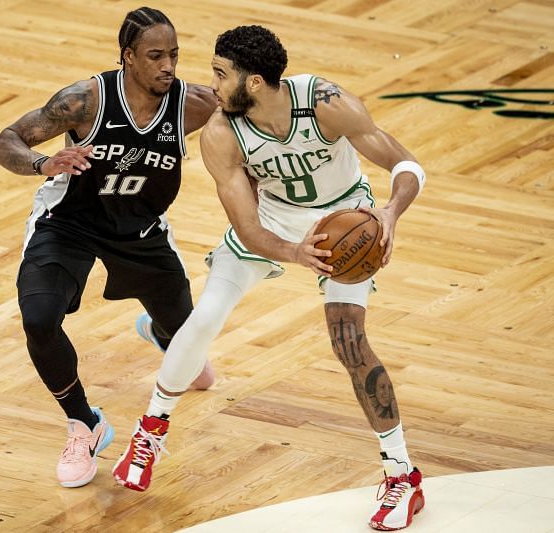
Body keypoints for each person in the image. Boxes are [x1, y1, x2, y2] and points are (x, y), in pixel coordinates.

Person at [113, 25, 426, 531]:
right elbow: (247, 226)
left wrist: (390, 212)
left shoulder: (325, 102)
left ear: (254, 82)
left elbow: (406, 162)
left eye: (221, 74)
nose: (211, 85)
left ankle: (401, 475)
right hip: (276, 226)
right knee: (207, 314)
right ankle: (150, 430)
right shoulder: (220, 133)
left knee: (349, 341)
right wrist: (294, 252)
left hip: (346, 221)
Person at [0, 7, 216, 489]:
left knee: (192, 357)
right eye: (156, 56)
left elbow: (259, 116)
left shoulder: (193, 104)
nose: (168, 66)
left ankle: (163, 334)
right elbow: (5, 140)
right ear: (128, 57)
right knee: (38, 319)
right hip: (69, 224)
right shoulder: (84, 100)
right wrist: (42, 162)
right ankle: (84, 423)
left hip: (141, 231)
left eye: (174, 55)